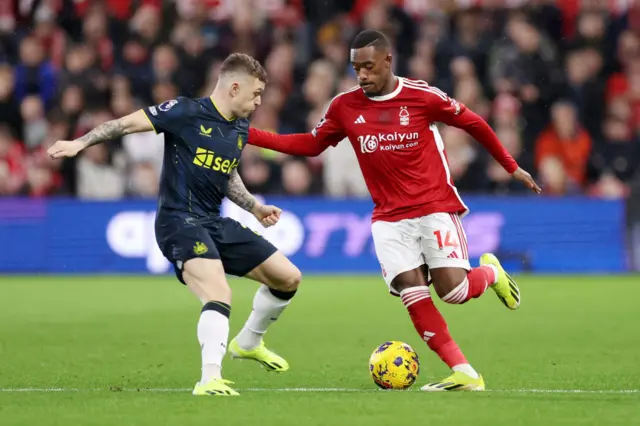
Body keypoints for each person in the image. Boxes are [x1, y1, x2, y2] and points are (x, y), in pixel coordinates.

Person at [247, 30, 542, 392]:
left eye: (369, 67)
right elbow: (310, 145)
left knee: (453, 292)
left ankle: (491, 275)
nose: (362, 76)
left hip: (434, 206)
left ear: (388, 61)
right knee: (412, 292)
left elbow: (473, 123)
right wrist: (250, 135)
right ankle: (464, 372)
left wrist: (510, 166)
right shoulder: (344, 106)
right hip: (388, 217)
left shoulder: (421, 96)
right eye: (356, 68)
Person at [48, 53, 302, 397]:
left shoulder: (239, 127)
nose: (259, 102)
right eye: (255, 94)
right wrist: (80, 142)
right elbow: (123, 124)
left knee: (288, 278)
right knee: (218, 291)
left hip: (213, 221)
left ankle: (248, 342)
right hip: (178, 221)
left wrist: (254, 207)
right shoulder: (185, 112)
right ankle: (209, 378)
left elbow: (226, 173)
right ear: (235, 87)